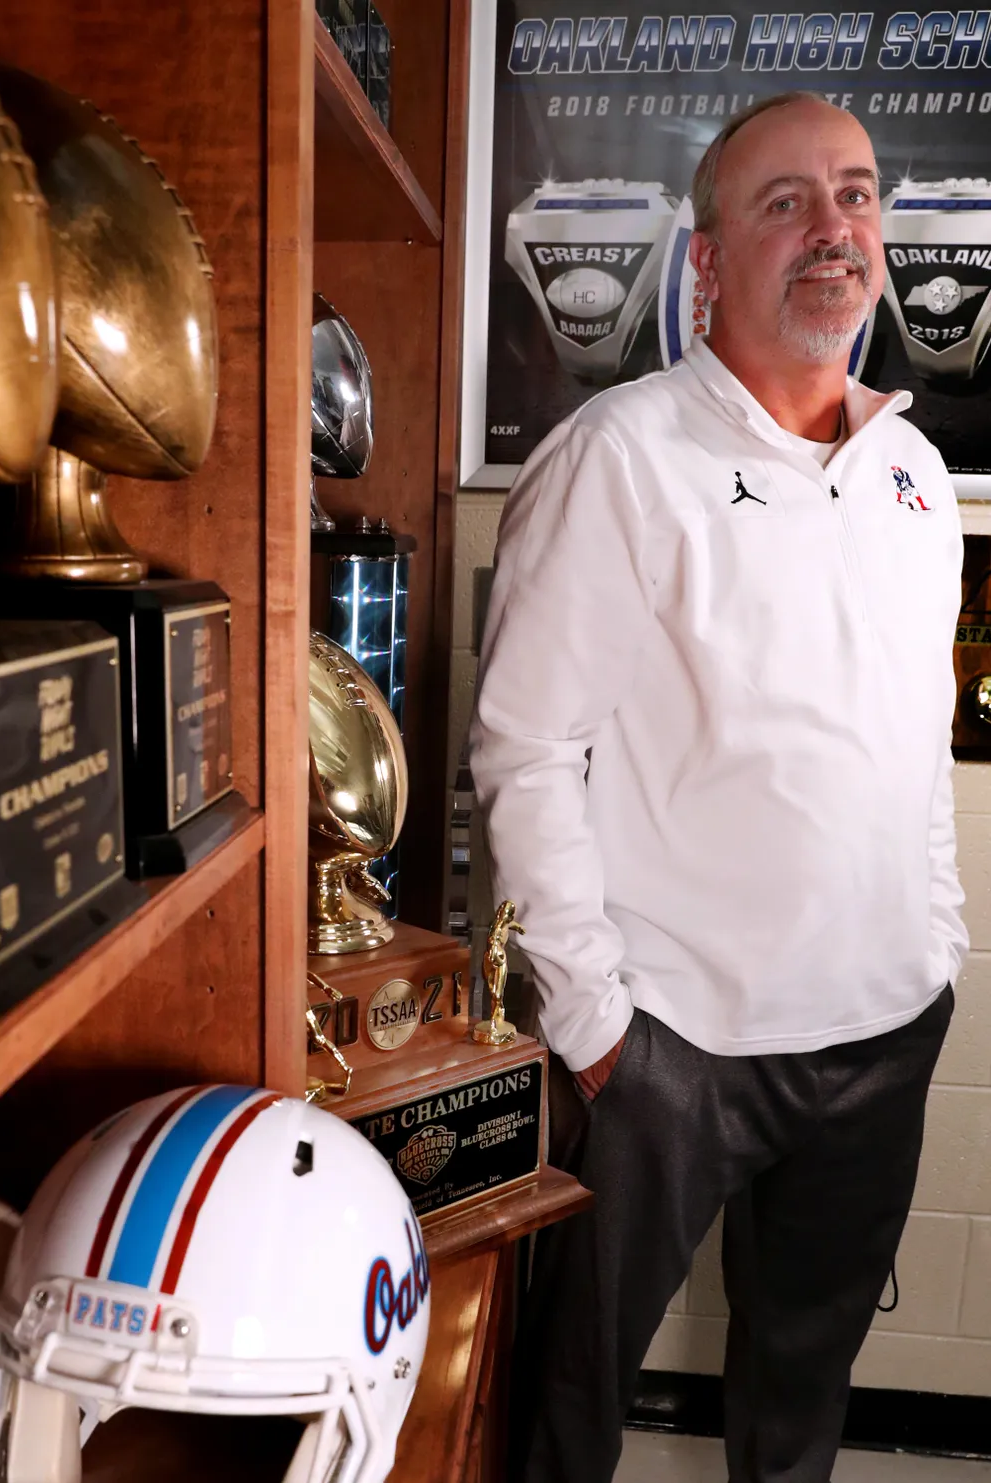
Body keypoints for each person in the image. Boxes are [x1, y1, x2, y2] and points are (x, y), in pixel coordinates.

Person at [469, 92, 967, 1483]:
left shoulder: (917, 478)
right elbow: (526, 747)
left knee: (801, 1397)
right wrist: (598, 1025)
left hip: (878, 1037)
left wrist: (939, 947)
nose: (836, 229)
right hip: (669, 1046)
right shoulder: (620, 458)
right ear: (705, 259)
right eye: (787, 201)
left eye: (858, 195)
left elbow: (914, 739)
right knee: (566, 1402)